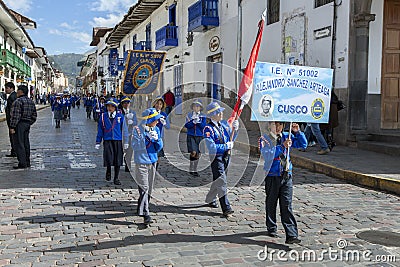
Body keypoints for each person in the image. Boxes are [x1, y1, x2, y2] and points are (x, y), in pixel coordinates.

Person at [259, 122, 307, 244]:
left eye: (280, 124)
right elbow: (267, 154)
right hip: (272, 175)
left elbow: (303, 144)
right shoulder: (264, 139)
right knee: (271, 202)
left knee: (287, 205)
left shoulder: (287, 136)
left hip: (286, 175)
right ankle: (271, 226)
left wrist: (297, 132)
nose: (278, 127)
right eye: (275, 124)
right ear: (269, 125)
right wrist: (282, 147)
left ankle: (291, 234)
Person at [203, 102, 239, 217]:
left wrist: (235, 129)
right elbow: (211, 147)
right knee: (222, 181)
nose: (221, 114)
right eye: (219, 112)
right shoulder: (208, 129)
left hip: (225, 157)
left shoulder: (222, 126)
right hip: (216, 157)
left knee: (218, 179)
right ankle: (226, 207)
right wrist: (226, 146)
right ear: (212, 115)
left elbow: (229, 139)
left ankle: (210, 198)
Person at [131, 108, 163, 225]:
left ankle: (141, 206)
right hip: (141, 162)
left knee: (149, 188)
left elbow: (159, 148)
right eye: (155, 120)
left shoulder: (157, 129)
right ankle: (146, 213)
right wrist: (146, 138)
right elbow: (135, 146)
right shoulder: (137, 129)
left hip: (152, 161)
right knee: (144, 187)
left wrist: (157, 140)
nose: (157, 122)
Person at [95, 98, 129, 185]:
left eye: (112, 106)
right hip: (107, 140)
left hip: (118, 140)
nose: (110, 108)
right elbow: (100, 130)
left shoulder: (120, 117)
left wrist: (126, 141)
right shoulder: (103, 117)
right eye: (108, 106)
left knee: (118, 159)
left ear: (115, 107)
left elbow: (124, 129)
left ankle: (116, 177)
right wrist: (98, 141)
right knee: (109, 158)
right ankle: (108, 170)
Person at [9, 85, 37, 169]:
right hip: (27, 124)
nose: (17, 92)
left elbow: (15, 116)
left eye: (18, 90)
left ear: (21, 91)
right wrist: (29, 123)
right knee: (26, 143)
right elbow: (34, 115)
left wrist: (12, 127)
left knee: (19, 143)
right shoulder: (30, 101)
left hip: (19, 124)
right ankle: (27, 161)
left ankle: (22, 163)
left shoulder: (18, 101)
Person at [184, 99, 206, 176]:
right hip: (191, 135)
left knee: (198, 154)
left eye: (198, 106)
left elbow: (204, 126)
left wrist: (199, 122)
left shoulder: (203, 116)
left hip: (200, 136)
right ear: (192, 107)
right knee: (193, 152)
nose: (196, 108)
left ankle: (195, 169)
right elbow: (186, 125)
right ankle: (191, 167)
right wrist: (193, 122)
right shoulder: (189, 115)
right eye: (194, 106)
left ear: (200, 108)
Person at [120, 96, 138, 172]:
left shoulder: (132, 112)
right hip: (121, 134)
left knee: (130, 150)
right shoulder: (119, 112)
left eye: (128, 103)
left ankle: (128, 165)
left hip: (130, 134)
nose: (126, 104)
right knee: (121, 150)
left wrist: (132, 122)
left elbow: (136, 122)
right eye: (125, 103)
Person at [5, 82, 17, 157]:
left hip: (12, 121)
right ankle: (14, 151)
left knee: (13, 136)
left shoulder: (12, 97)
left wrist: (11, 123)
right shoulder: (14, 95)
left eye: (7, 88)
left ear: (11, 88)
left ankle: (14, 151)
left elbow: (12, 111)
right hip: (13, 120)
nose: (5, 90)